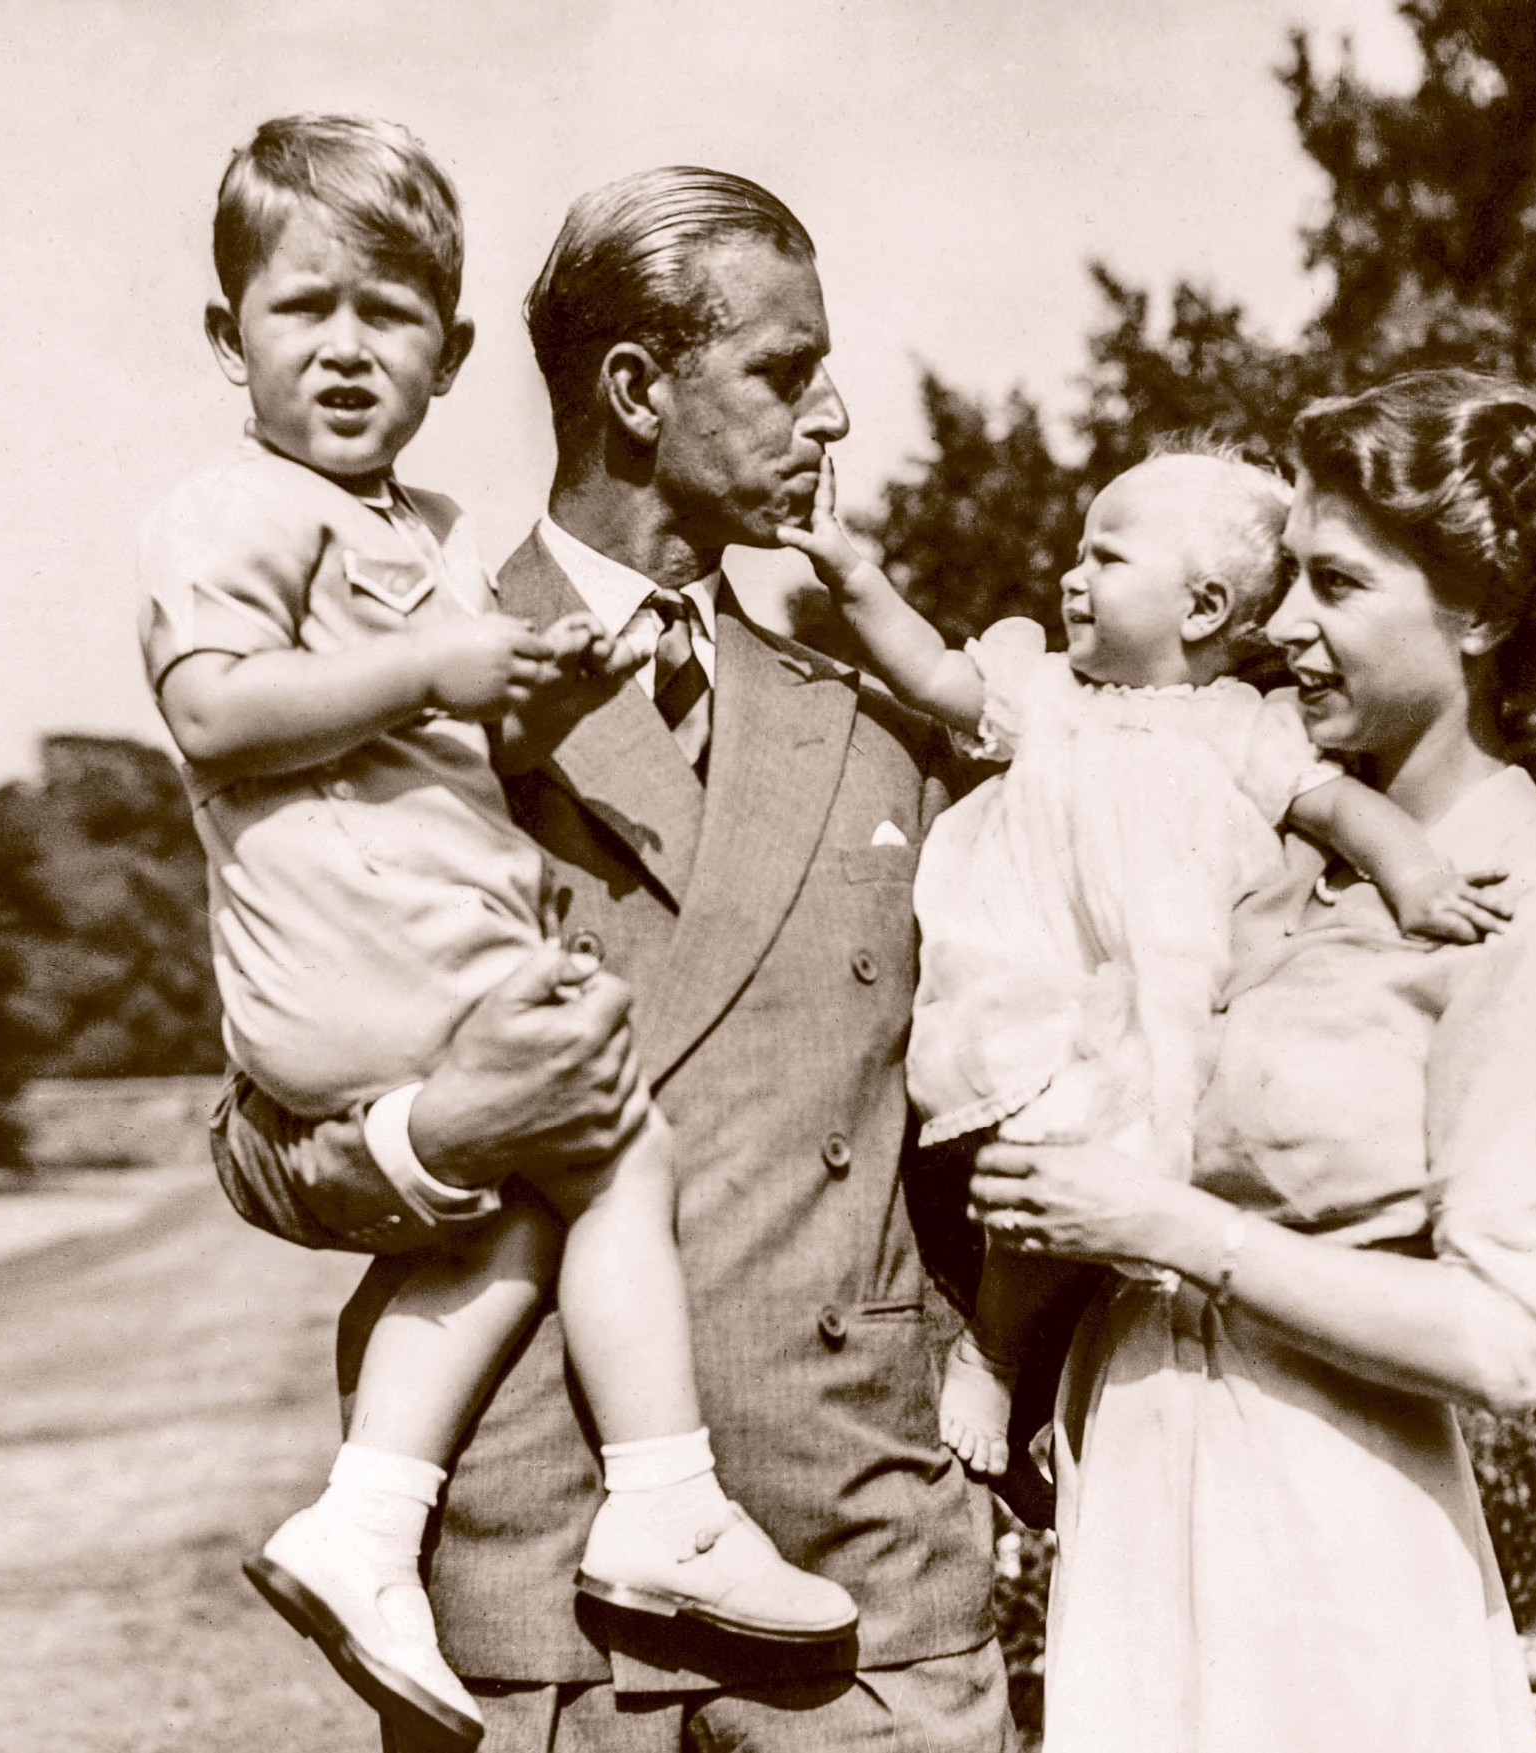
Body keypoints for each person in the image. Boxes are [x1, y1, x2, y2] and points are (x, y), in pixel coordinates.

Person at [210, 165, 1008, 1753]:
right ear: (638, 392)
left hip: (863, 1581)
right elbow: (256, 1143)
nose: (835, 414)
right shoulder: (386, 687)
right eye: (787, 369)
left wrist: (990, 1365)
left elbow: (998, 1093)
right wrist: (440, 1135)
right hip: (534, 1591)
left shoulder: (875, 728)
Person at [966, 370, 1536, 1752]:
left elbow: (1508, 1335)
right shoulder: (1248, 857)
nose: (1283, 623)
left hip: (1331, 1561)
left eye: (1336, 584)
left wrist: (1169, 1227)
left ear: (1479, 612)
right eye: (1285, 576)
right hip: (1139, 1526)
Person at [779, 443, 1507, 1477]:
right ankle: (993, 1351)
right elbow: (932, 671)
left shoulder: (1244, 729)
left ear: (1202, 607)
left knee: (1114, 1181)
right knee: (1039, 1167)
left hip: (1158, 1008)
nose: (1071, 576)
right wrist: (849, 570)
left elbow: (1341, 808)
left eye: (1106, 558)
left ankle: (1039, 1384)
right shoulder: (1045, 692)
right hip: (1033, 987)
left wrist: (1416, 874)